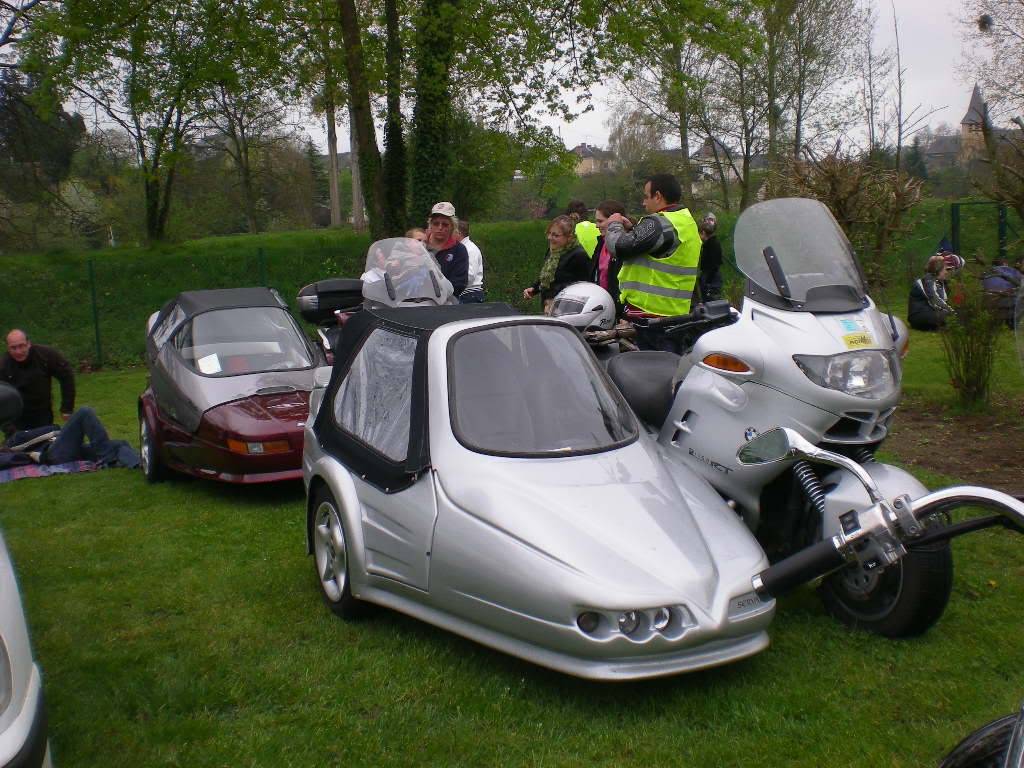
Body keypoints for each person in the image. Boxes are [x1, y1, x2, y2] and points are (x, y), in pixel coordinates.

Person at [603, 173, 701, 319]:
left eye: (646, 196)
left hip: (651, 314)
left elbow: (618, 248)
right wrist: (634, 230)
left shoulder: (660, 223)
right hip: (674, 311)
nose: (643, 202)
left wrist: (614, 224)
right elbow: (658, 248)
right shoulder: (684, 220)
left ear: (658, 196)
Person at [1, 329, 75, 434]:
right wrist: (9, 429)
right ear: (8, 348)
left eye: (22, 346)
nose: (18, 351)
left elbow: (66, 375)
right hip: (17, 419)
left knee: (46, 446)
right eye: (13, 348)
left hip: (43, 413)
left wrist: (67, 408)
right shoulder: (3, 366)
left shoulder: (46, 355)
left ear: (29, 344)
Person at [522, 216, 592, 314]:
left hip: (567, 310)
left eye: (555, 235)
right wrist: (534, 289)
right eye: (549, 233)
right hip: (548, 307)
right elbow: (548, 277)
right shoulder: (553, 251)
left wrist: (554, 297)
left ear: (569, 237)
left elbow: (583, 286)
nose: (549, 238)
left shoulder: (579, 255)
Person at [590, 200, 629, 314]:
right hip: (602, 307)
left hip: (620, 311)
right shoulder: (601, 243)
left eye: (600, 221)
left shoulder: (627, 245)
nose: (597, 226)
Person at [423, 202, 469, 297]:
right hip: (417, 298)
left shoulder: (459, 250)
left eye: (445, 224)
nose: (440, 228)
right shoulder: (420, 245)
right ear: (430, 225)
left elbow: (459, 283)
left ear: (452, 226)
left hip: (446, 300)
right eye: (436, 223)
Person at [908, 254, 954, 331]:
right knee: (950, 316)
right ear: (938, 270)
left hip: (927, 312)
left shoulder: (938, 281)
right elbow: (935, 301)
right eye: (945, 269)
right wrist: (952, 312)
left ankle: (939, 327)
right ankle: (940, 327)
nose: (947, 272)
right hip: (918, 316)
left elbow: (943, 300)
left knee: (956, 315)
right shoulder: (927, 281)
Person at [455, 220, 485, 303]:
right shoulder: (460, 249)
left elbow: (469, 276)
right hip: (465, 294)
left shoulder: (470, 249)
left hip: (470, 295)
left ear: (458, 233)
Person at [697, 213, 723, 302]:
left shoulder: (712, 245)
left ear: (703, 233)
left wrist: (707, 281)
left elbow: (713, 265)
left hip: (711, 279)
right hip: (711, 278)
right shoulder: (712, 243)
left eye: (700, 234)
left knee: (710, 302)